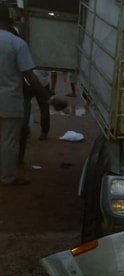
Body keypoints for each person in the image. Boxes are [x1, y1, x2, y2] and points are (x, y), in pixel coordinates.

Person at [0, 4, 67, 185]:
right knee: (8, 141)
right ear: (10, 19)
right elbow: (30, 76)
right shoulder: (16, 43)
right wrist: (50, 97)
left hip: (9, 99)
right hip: (9, 101)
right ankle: (7, 177)